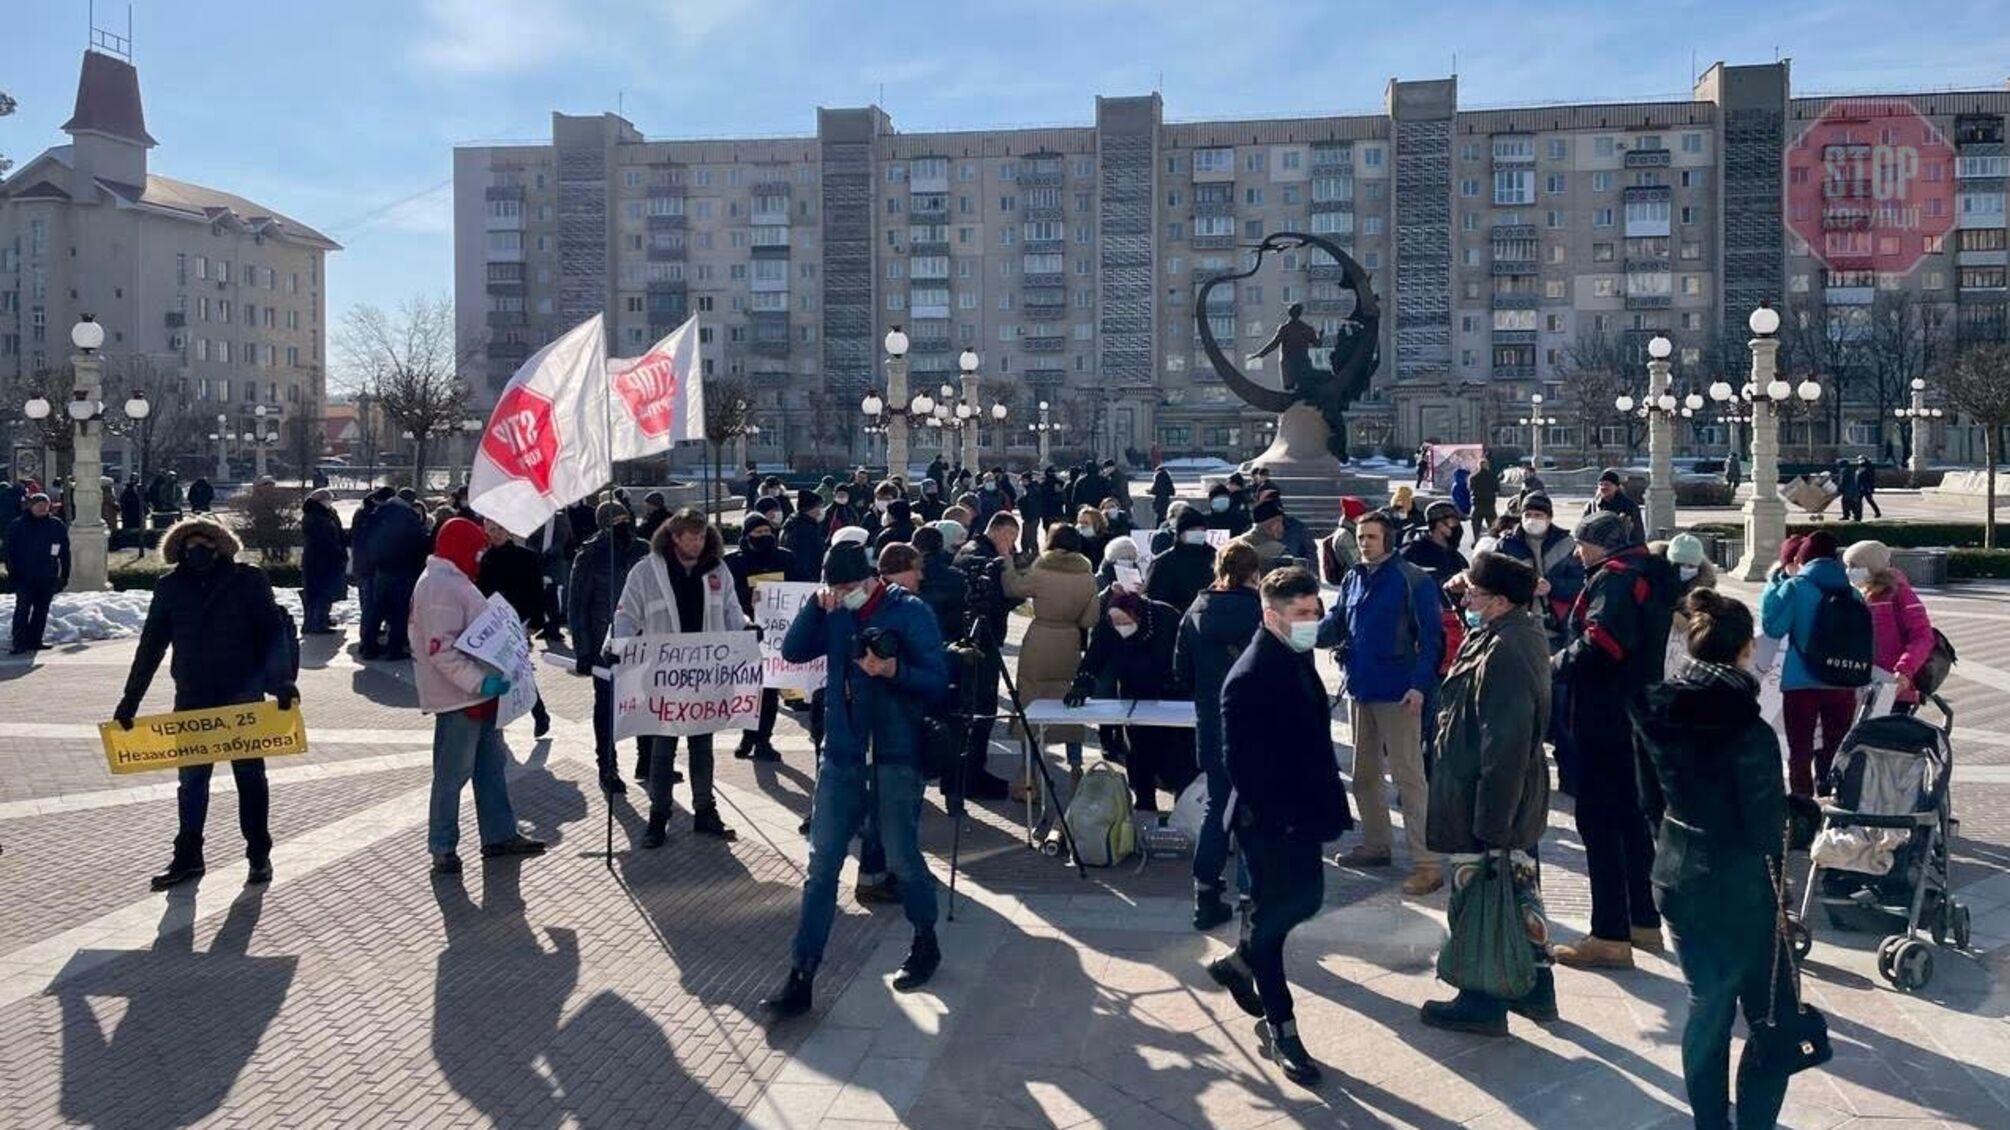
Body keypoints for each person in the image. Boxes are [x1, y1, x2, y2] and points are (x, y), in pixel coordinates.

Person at [762, 540, 949, 1018]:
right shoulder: (829, 608)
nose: (843, 594)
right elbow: (793, 650)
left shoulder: (909, 611)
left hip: (894, 753)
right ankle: (802, 973)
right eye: (835, 587)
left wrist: (892, 669)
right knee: (821, 866)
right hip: (843, 754)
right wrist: (813, 607)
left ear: (871, 579)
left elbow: (936, 679)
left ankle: (925, 938)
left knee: (903, 858)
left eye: (850, 587)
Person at [1631, 589, 1794, 1130]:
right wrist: (1802, 817)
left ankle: (1708, 1123)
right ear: (1746, 650)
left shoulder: (1655, 707)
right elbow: (1765, 827)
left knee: (1708, 1005)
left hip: (1677, 871)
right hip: (1740, 883)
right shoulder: (1748, 729)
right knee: (1773, 1012)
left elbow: (1650, 800)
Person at [1206, 567, 1353, 1086]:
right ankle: (1282, 1027)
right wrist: (1280, 822)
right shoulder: (1248, 676)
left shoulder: (1296, 655)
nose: (1314, 621)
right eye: (1303, 614)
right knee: (1270, 919)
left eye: (1316, 611)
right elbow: (1240, 765)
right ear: (1272, 616)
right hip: (1270, 823)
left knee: (1307, 899)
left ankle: (1240, 962)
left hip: (1304, 812)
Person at [113, 516, 297, 889]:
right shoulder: (170, 588)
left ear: (220, 547)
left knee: (250, 779)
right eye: (190, 546)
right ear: (179, 551)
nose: (198, 552)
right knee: (192, 783)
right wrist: (129, 701)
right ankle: (188, 857)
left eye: (205, 545)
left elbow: (271, 633)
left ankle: (259, 853)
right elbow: (151, 646)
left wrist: (282, 684)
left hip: (241, 696)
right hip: (193, 697)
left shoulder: (248, 580)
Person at [1418, 552, 1556, 1036]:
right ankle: (1536, 990)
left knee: (1481, 895)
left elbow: (1506, 742)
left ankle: (1482, 998)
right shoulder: (1507, 630)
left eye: (1474, 594)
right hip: (1493, 793)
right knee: (1518, 893)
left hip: (1491, 799)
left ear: (1499, 601)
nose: (1466, 598)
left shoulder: (1506, 650)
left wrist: (1492, 819)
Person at [1549, 511, 1673, 970]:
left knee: (1599, 824)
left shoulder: (1617, 579)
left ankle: (1609, 934)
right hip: (1637, 712)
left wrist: (1553, 666)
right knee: (1632, 822)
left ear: (1601, 544)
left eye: (1583, 543)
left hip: (1605, 715)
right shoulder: (1651, 572)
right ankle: (1643, 920)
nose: (1579, 551)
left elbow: (1602, 643)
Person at [411, 517, 547, 875]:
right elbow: (440, 649)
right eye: (477, 549)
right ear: (458, 548)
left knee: (490, 768)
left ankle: (498, 835)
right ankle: (443, 847)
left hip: (476, 696)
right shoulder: (441, 586)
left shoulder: (453, 581)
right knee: (452, 774)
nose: (481, 556)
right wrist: (478, 682)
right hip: (460, 699)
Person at [1319, 510, 1444, 896]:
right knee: (1365, 775)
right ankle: (1377, 845)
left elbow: (1432, 641)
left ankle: (1428, 863)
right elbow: (1337, 623)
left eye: (1371, 537)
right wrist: (1298, 632)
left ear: (1389, 540)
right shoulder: (1354, 577)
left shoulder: (1413, 581)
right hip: (1361, 689)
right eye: (1360, 536)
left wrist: (1420, 686)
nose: (1363, 543)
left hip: (1400, 693)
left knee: (1409, 779)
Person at [616, 509, 744, 844]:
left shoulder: (717, 569)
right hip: (665, 676)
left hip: (706, 675)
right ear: (674, 538)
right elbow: (627, 613)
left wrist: (745, 633)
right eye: (691, 537)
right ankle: (659, 815)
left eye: (702, 537)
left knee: (702, 745)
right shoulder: (646, 572)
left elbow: (731, 609)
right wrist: (618, 644)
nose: (698, 544)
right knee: (663, 748)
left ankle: (705, 810)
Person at [1174, 541, 1264, 930]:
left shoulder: (1195, 611)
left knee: (1217, 810)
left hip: (1212, 723)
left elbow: (1181, 672)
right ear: (1253, 573)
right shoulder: (1264, 612)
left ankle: (1205, 896)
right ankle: (1251, 897)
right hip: (1256, 723)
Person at [1066, 588, 1196, 813]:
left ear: (1137, 614)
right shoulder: (1109, 624)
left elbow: (1187, 653)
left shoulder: (1166, 617)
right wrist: (1082, 684)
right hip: (1133, 697)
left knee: (1176, 756)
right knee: (1138, 752)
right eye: (1114, 622)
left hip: (1171, 697)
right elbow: (1096, 656)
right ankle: (1145, 803)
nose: (1119, 627)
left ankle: (1182, 811)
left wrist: (1184, 684)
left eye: (1123, 621)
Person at [1762, 531, 1868, 797]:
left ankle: (1803, 810)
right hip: (1843, 680)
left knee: (1800, 750)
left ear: (1804, 558)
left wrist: (1775, 585)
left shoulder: (1796, 587)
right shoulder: (1853, 593)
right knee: (1834, 749)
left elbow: (1773, 627)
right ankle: (1831, 800)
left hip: (1801, 682)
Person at [1004, 522, 1100, 784]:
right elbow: (1090, 619)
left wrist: (1008, 564)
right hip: (1069, 641)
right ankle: (1076, 764)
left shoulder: (1041, 570)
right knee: (1068, 701)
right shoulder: (1087, 575)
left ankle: (1029, 774)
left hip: (1040, 637)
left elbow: (1014, 588)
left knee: (1030, 698)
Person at [568, 501, 648, 794]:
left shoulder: (643, 549)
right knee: (607, 708)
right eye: (615, 520)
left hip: (643, 641)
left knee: (645, 703)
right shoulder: (590, 554)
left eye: (625, 517)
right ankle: (608, 766)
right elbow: (577, 606)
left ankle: (647, 760)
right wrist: (583, 651)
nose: (622, 523)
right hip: (606, 642)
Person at [950, 512, 1024, 800]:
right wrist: (1010, 565)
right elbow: (1004, 597)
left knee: (978, 707)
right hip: (981, 642)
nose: (1013, 545)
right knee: (981, 707)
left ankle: (973, 770)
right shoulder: (984, 559)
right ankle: (972, 773)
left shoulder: (973, 551)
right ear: (1001, 533)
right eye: (1012, 538)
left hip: (977, 638)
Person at [476, 518, 554, 739]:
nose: (496, 533)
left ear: (508, 530)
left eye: (500, 528)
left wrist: (537, 622)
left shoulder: (526, 556)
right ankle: (518, 716)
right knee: (507, 670)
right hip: (493, 624)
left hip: (519, 621)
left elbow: (536, 590)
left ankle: (539, 714)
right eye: (491, 529)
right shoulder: (486, 559)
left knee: (518, 669)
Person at [727, 512, 795, 762]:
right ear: (747, 536)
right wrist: (747, 595)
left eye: (768, 532)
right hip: (744, 636)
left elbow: (801, 587)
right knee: (747, 689)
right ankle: (748, 735)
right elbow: (725, 596)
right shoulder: (733, 563)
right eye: (758, 533)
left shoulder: (786, 559)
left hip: (775, 637)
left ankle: (763, 740)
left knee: (768, 692)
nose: (764, 536)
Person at [1844, 540, 1934, 717]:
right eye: (1847, 566)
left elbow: (1922, 636)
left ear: (1872, 567)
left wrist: (1904, 670)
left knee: (1883, 740)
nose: (1849, 571)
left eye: (1854, 566)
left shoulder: (1899, 593)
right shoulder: (1856, 594)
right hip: (1861, 684)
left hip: (1892, 686)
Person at [364, 492, 428, 661]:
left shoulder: (379, 512)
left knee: (377, 609)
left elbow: (368, 539)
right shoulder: (408, 516)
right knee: (400, 611)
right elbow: (419, 544)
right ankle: (395, 649)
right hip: (403, 571)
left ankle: (369, 647)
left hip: (381, 570)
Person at [6, 492, 69, 654]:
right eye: (39, 505)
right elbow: (9, 552)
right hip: (24, 576)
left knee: (41, 610)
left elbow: (64, 552)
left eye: (45, 506)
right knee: (22, 609)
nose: (42, 509)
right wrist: (12, 572)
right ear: (31, 506)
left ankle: (35, 640)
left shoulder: (56, 525)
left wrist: (64, 575)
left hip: (47, 575)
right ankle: (19, 642)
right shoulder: (17, 525)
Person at [1147, 506, 1216, 616]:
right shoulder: (1163, 562)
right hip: (1173, 621)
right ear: (1180, 533)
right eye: (1192, 530)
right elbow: (1154, 599)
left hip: (1209, 619)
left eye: (1201, 530)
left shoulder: (1216, 557)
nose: (1198, 533)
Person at [299, 489, 349, 635]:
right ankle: (316, 623)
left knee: (323, 593)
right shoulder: (315, 517)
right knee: (320, 593)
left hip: (322, 560)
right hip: (319, 561)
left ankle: (319, 620)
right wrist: (337, 552)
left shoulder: (324, 514)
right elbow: (324, 541)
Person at [1402, 500, 1468, 586]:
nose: (1458, 527)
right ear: (1439, 524)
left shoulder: (1457, 557)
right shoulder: (1412, 553)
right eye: (1453, 522)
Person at [781, 489, 828, 584]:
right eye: (819, 507)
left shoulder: (804, 524)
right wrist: (811, 580)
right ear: (811, 508)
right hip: (805, 581)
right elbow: (803, 560)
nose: (821, 510)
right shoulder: (801, 529)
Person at [1584, 469, 1644, 543]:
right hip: (1596, 548)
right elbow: (1583, 529)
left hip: (1620, 548)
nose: (1603, 487)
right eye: (1601, 484)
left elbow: (1638, 533)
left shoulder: (1629, 506)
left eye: (1607, 485)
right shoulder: (1592, 505)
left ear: (1616, 487)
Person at [1233, 498, 1291, 570]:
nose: (1283, 527)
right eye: (1281, 522)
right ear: (1273, 525)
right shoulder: (1279, 551)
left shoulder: (1231, 545)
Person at [1319, 497, 1367, 583]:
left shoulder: (1351, 530)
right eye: (1362, 515)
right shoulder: (1345, 536)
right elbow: (1357, 563)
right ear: (1355, 516)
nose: (1365, 518)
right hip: (1352, 580)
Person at [1469, 458, 1500, 547]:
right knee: (1493, 525)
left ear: (1478, 466)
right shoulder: (1493, 476)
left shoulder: (1473, 477)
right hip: (1489, 505)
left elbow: (1470, 488)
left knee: (1476, 525)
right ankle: (1494, 541)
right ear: (1487, 466)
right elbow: (1497, 489)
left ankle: (1476, 540)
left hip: (1477, 504)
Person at [1834, 458, 1862, 522]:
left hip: (1848, 491)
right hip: (1853, 490)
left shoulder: (1843, 471)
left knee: (1846, 502)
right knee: (1852, 503)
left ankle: (1847, 515)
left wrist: (1839, 490)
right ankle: (1856, 515)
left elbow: (1842, 482)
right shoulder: (1851, 470)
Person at [1855, 455, 1883, 519]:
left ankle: (1877, 512)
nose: (1860, 461)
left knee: (1869, 500)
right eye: (1859, 459)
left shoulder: (1869, 467)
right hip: (1860, 487)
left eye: (1861, 459)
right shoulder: (1859, 467)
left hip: (1866, 487)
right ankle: (1858, 515)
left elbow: (1871, 478)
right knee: (1858, 501)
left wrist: (1870, 487)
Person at [1450, 465, 1473, 531]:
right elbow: (1457, 501)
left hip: (1466, 510)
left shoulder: (1464, 485)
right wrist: (1462, 514)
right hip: (1461, 511)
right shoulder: (1457, 487)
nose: (1467, 478)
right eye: (1466, 476)